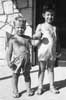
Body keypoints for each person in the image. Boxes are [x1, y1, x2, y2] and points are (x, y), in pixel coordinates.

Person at [33, 4, 60, 95]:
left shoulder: (55, 28)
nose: (50, 17)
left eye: (52, 15)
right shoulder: (40, 26)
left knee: (51, 69)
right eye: (48, 14)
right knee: (41, 69)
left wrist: (58, 50)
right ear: (43, 15)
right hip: (43, 53)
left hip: (52, 53)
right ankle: (40, 87)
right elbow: (35, 38)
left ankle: (51, 86)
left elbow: (57, 40)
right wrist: (38, 37)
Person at [6, 15, 34, 98]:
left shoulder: (27, 38)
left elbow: (34, 44)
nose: (20, 29)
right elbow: (9, 53)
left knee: (27, 75)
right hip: (16, 61)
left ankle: (28, 89)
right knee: (15, 75)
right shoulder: (12, 39)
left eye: (22, 27)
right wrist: (8, 62)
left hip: (26, 60)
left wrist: (39, 38)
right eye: (17, 27)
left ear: (25, 28)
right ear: (14, 27)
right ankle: (15, 90)